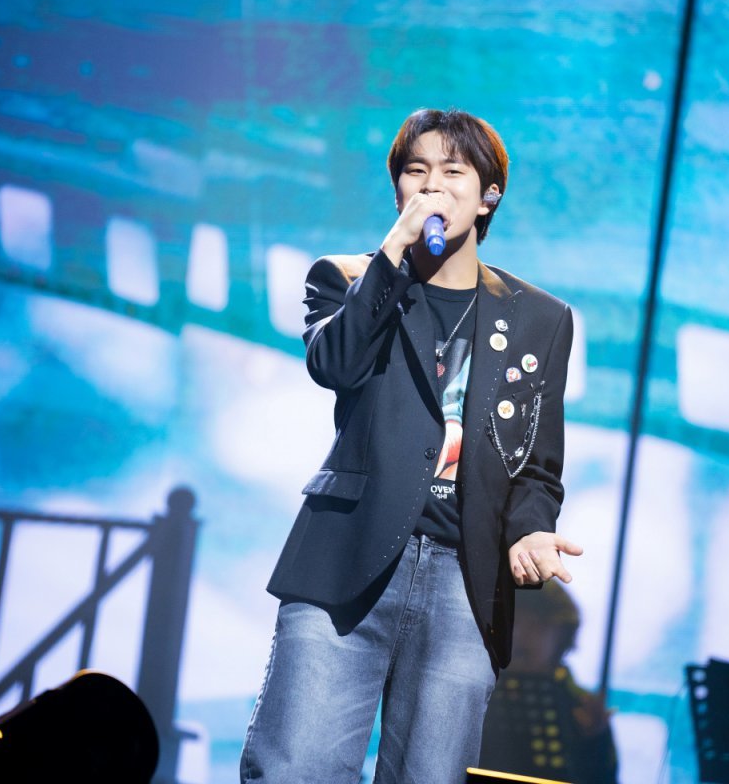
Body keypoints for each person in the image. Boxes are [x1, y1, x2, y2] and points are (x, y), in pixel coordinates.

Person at [240, 107, 581, 784]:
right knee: (296, 767)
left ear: (488, 196)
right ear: (397, 190)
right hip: (346, 560)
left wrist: (530, 529)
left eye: (453, 171)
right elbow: (335, 364)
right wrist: (394, 255)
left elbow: (536, 466)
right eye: (415, 171)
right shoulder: (346, 279)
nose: (432, 185)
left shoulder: (541, 318)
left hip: (465, 579)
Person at [479, 580, 618, 784]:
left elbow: (606, 779)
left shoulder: (581, 706)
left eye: (535, 625)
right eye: (512, 621)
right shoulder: (474, 688)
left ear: (562, 635)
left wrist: (595, 740)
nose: (519, 634)